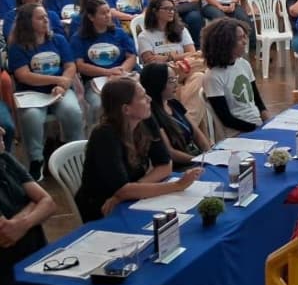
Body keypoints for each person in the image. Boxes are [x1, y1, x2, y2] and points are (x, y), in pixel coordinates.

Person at [75, 78, 203, 222]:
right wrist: (177, 185)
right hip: (104, 207)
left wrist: (134, 189)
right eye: (142, 97)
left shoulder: (146, 120)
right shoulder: (104, 135)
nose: (149, 99)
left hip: (128, 199)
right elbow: (122, 188)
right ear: (126, 109)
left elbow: (165, 165)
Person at [8, 4, 85, 180]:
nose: (46, 20)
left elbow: (70, 66)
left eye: (46, 17)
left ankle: (76, 153)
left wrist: (63, 86)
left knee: (72, 111)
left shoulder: (58, 40)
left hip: (59, 91)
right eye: (40, 17)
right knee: (32, 118)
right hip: (31, 94)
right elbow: (24, 75)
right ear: (28, 22)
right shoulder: (18, 47)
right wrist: (57, 80)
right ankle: (37, 160)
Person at [0, 135, 55, 285]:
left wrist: (23, 223)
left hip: (39, 257)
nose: (2, 131)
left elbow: (49, 203)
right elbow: (5, 234)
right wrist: (32, 205)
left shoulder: (6, 159)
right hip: (8, 273)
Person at [72, 0, 138, 118]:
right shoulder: (79, 38)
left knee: (137, 100)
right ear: (91, 17)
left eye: (108, 12)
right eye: (103, 13)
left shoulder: (119, 33)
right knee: (98, 105)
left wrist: (120, 72)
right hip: (94, 81)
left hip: (121, 77)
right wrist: (107, 72)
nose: (108, 16)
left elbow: (132, 56)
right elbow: (80, 66)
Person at [202, 18, 269, 134]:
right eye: (239, 39)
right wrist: (256, 129)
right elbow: (226, 119)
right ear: (224, 44)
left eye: (244, 36)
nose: (245, 42)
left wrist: (268, 120)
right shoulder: (213, 76)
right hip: (239, 132)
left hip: (256, 124)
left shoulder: (243, 64)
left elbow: (257, 100)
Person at [140, 64, 212, 168]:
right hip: (179, 167)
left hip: (196, 158)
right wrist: (198, 160)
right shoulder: (151, 114)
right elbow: (170, 152)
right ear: (157, 83)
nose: (176, 84)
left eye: (175, 79)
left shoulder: (174, 103)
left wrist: (209, 153)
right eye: (171, 81)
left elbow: (196, 132)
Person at [137, 0, 197, 65]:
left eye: (172, 9)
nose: (171, 12)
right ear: (154, 11)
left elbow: (192, 54)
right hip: (160, 72)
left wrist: (169, 58)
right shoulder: (144, 36)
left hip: (182, 69)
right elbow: (150, 61)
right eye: (166, 8)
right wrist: (181, 57)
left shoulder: (181, 30)